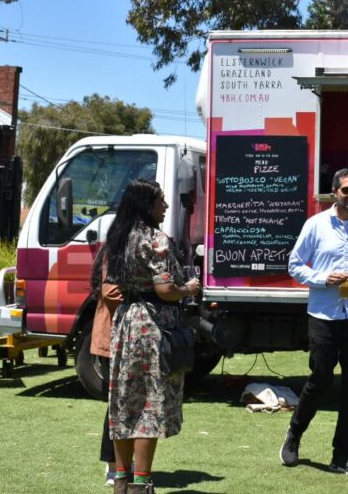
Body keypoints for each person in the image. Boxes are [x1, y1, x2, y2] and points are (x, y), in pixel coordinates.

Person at [280, 168, 348, 478]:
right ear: (334, 192)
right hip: (324, 315)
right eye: (346, 190)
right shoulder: (315, 225)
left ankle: (342, 455)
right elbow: (295, 265)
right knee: (320, 378)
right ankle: (294, 435)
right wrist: (322, 279)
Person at [105, 179, 200, 494]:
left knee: (124, 402)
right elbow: (165, 290)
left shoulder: (119, 238)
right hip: (152, 325)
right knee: (148, 405)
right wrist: (188, 288)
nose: (166, 205)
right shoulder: (156, 240)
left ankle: (121, 480)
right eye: (161, 200)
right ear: (147, 204)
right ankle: (141, 484)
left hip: (126, 322)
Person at [88, 246, 124, 486]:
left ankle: (121, 464)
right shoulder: (116, 249)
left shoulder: (118, 246)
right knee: (117, 404)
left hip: (124, 338)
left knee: (125, 404)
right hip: (114, 338)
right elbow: (111, 292)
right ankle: (113, 467)